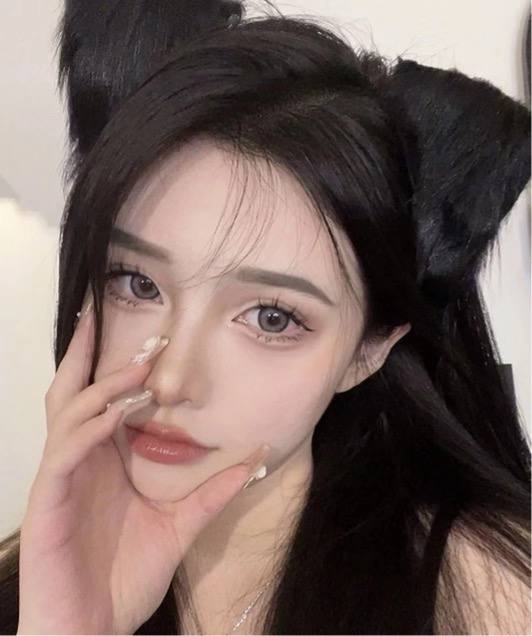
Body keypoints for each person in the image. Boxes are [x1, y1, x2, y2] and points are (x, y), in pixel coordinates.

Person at [1, 1, 530, 634]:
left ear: (369, 350)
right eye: (138, 284)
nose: (169, 380)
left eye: (272, 318)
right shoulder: (32, 581)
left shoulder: (489, 597)